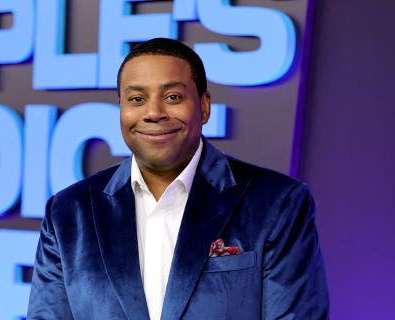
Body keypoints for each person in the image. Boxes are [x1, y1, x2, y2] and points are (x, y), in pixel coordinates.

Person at [27, 37, 329, 320]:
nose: (154, 112)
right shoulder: (68, 212)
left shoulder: (278, 203)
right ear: (121, 108)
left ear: (204, 106)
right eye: (136, 98)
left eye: (172, 96)